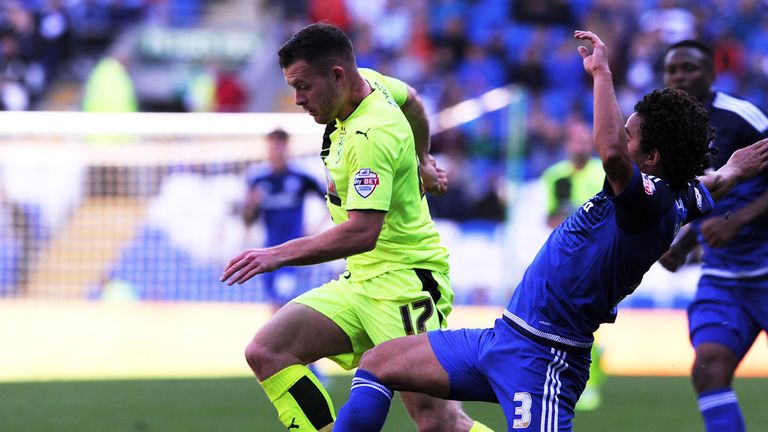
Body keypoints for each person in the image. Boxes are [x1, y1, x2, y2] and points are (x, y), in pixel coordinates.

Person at [332, 30, 768, 432]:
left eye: (630, 135)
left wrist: (601, 73)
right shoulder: (678, 196)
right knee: (378, 362)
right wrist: (734, 168)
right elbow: (711, 184)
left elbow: (612, 154)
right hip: (504, 338)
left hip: (546, 359)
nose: (621, 138)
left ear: (651, 158)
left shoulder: (649, 203)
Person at [220, 23, 488, 432]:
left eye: (303, 86)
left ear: (337, 76)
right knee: (268, 351)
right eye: (293, 87)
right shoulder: (372, 84)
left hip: (404, 284)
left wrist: (276, 255)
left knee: (438, 420)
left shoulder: (371, 135)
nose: (298, 99)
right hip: (359, 282)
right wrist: (422, 160)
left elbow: (363, 233)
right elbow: (413, 100)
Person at [658, 40, 768, 432]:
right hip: (723, 278)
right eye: (672, 70)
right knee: (708, 371)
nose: (680, 76)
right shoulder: (670, 131)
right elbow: (706, 197)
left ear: (711, 74)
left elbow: (731, 203)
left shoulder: (742, 117)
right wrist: (684, 245)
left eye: (689, 68)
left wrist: (737, 221)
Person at [539, 118, 606, 411]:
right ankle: (566, 378)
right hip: (565, 257)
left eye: (583, 141)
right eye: (575, 141)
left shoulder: (603, 172)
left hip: (597, 258)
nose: (579, 146)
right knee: (563, 320)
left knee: (590, 322)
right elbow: (550, 218)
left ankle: (590, 383)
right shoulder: (554, 176)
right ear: (567, 145)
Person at [243, 128, 325, 313]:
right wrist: (251, 205)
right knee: (274, 303)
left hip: (294, 250)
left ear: (287, 147)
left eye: (280, 146)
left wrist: (315, 229)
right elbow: (248, 220)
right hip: (268, 248)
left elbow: (329, 202)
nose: (276, 151)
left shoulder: (301, 176)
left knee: (286, 300)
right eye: (272, 146)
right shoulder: (257, 179)